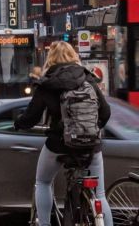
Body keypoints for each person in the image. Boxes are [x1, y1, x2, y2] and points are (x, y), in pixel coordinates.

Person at [15, 42, 113, 226]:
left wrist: (18, 123)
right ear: (73, 55)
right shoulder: (88, 79)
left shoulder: (47, 84)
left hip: (59, 145)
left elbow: (32, 117)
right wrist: (92, 128)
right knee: (100, 194)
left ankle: (44, 223)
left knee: (43, 182)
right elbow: (106, 112)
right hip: (91, 145)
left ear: (50, 59)